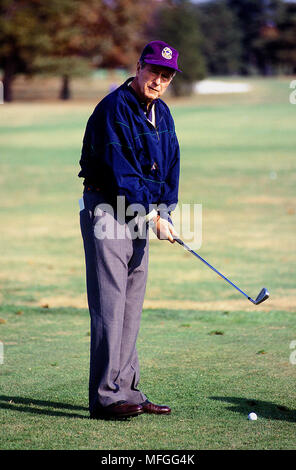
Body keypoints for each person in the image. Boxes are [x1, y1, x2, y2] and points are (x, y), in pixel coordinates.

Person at [79, 40, 181, 420]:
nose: (158, 80)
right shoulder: (114, 109)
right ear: (138, 67)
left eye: (166, 75)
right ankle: (106, 398)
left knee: (130, 307)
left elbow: (171, 165)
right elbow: (123, 174)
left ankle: (129, 392)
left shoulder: (162, 113)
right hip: (108, 209)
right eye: (153, 71)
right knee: (110, 306)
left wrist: (165, 211)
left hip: (140, 214)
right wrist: (152, 216)